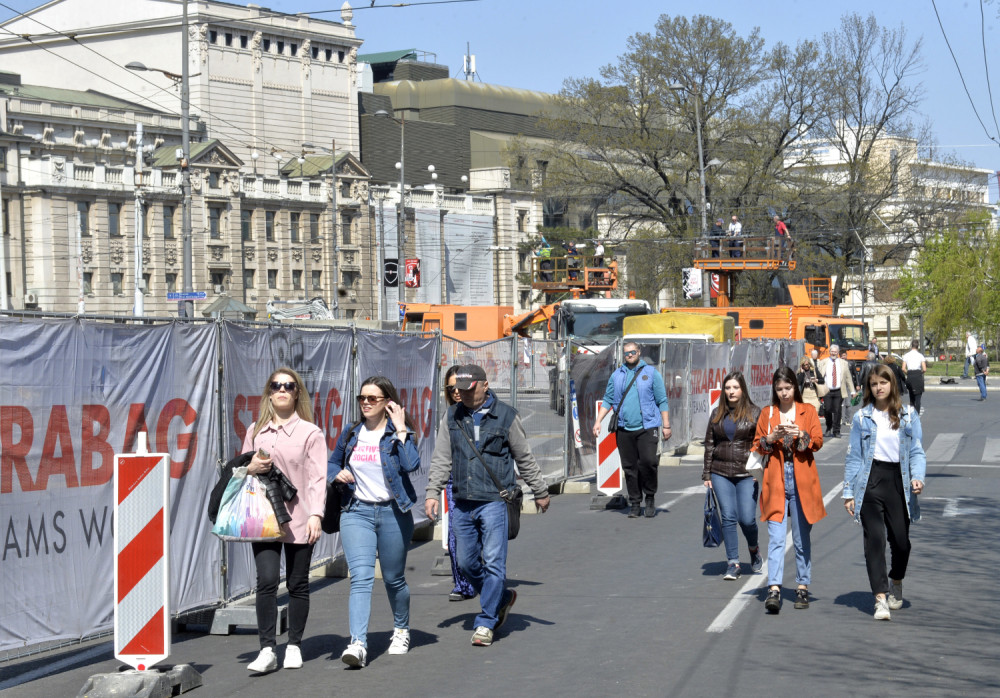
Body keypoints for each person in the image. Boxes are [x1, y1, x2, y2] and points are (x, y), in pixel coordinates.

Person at [425, 364, 551, 648]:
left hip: (495, 500)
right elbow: (442, 458)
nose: (463, 395)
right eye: (459, 390)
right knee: (465, 563)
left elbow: (524, 457)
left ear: (484, 385)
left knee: (494, 562)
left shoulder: (506, 416)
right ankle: (501, 598)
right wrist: (433, 492)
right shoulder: (451, 416)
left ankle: (485, 622)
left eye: (469, 390)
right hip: (462, 501)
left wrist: (540, 490)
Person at [328, 376, 421, 668]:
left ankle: (401, 630)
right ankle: (358, 644)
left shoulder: (397, 433)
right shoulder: (351, 433)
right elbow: (331, 462)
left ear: (387, 402)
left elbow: (411, 464)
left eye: (372, 398)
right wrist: (336, 473)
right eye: (362, 398)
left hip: (394, 512)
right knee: (360, 578)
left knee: (393, 579)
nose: (366, 403)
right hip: (356, 512)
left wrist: (402, 429)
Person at [242, 368, 327, 673]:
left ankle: (293, 645)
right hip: (264, 518)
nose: (282, 390)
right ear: (269, 393)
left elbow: (318, 478)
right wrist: (250, 467)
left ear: (297, 393)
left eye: (288, 386)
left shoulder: (310, 433)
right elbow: (241, 470)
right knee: (266, 581)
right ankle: (267, 649)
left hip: (300, 517)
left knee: (297, 583)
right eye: (276, 385)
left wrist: (316, 514)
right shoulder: (255, 431)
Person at [843, 364, 926, 621]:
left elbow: (916, 451)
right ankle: (880, 598)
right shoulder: (862, 417)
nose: (878, 388)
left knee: (901, 542)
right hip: (871, 480)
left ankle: (896, 579)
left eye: (883, 382)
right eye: (874, 384)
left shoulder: (908, 415)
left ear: (892, 384)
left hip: (899, 481)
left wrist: (917, 477)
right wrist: (849, 492)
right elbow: (854, 457)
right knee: (875, 540)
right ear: (869, 388)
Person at [754, 366, 825, 614]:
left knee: (801, 537)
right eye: (779, 389)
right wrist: (770, 437)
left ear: (795, 387)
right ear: (774, 390)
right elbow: (758, 445)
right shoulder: (768, 413)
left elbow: (817, 441)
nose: (784, 393)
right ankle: (774, 588)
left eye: (788, 388)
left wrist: (801, 434)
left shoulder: (808, 411)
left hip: (801, 477)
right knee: (775, 537)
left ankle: (802, 586)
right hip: (775, 478)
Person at [594, 342, 671, 518]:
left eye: (633, 352)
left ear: (639, 352)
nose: (629, 355)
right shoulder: (617, 375)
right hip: (623, 428)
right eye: (627, 353)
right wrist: (598, 421)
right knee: (629, 467)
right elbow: (608, 399)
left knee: (648, 462)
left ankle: (649, 497)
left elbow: (662, 400)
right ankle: (635, 502)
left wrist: (666, 425)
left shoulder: (651, 373)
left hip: (647, 426)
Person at [702, 371, 762, 580]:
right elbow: (710, 444)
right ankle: (733, 562)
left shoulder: (755, 413)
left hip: (747, 473)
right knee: (728, 516)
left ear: (743, 389)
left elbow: (762, 443)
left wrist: (760, 471)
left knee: (747, 519)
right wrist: (707, 473)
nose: (731, 391)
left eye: (735, 387)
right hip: (720, 472)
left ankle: (753, 548)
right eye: (727, 388)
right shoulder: (717, 413)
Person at [442, 366, 475, 602]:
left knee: (482, 536)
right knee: (455, 534)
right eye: (450, 387)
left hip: (481, 482)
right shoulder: (448, 416)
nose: (455, 391)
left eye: (459, 386)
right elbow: (441, 456)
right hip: (455, 482)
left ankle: (482, 579)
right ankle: (462, 584)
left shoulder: (482, 412)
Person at [817, 344, 856, 438]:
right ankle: (828, 427)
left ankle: (836, 430)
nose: (833, 353)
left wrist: (852, 391)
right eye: (832, 351)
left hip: (839, 390)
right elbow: (819, 375)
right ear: (829, 352)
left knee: (837, 411)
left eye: (835, 351)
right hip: (827, 390)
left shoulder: (843, 363)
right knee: (827, 410)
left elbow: (848, 378)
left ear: (838, 352)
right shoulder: (823, 362)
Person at [901, 340, 927, 414]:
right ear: (918, 346)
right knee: (918, 399)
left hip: (910, 375)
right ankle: (917, 415)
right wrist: (920, 373)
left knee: (911, 397)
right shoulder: (920, 356)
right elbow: (924, 369)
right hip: (918, 375)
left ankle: (911, 414)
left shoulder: (906, 355)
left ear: (911, 346)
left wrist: (908, 373)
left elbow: (903, 368)